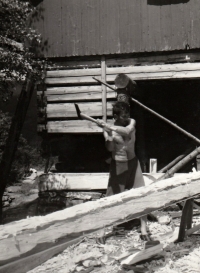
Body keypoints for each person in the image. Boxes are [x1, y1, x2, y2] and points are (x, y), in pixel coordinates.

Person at [97, 101, 150, 241]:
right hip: (118, 165)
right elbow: (109, 148)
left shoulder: (131, 122)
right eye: (123, 115)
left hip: (133, 163)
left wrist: (110, 127)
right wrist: (108, 135)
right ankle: (101, 233)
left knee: (142, 194)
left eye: (127, 114)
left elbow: (127, 131)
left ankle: (144, 230)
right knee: (110, 199)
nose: (127, 117)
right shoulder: (108, 129)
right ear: (115, 115)